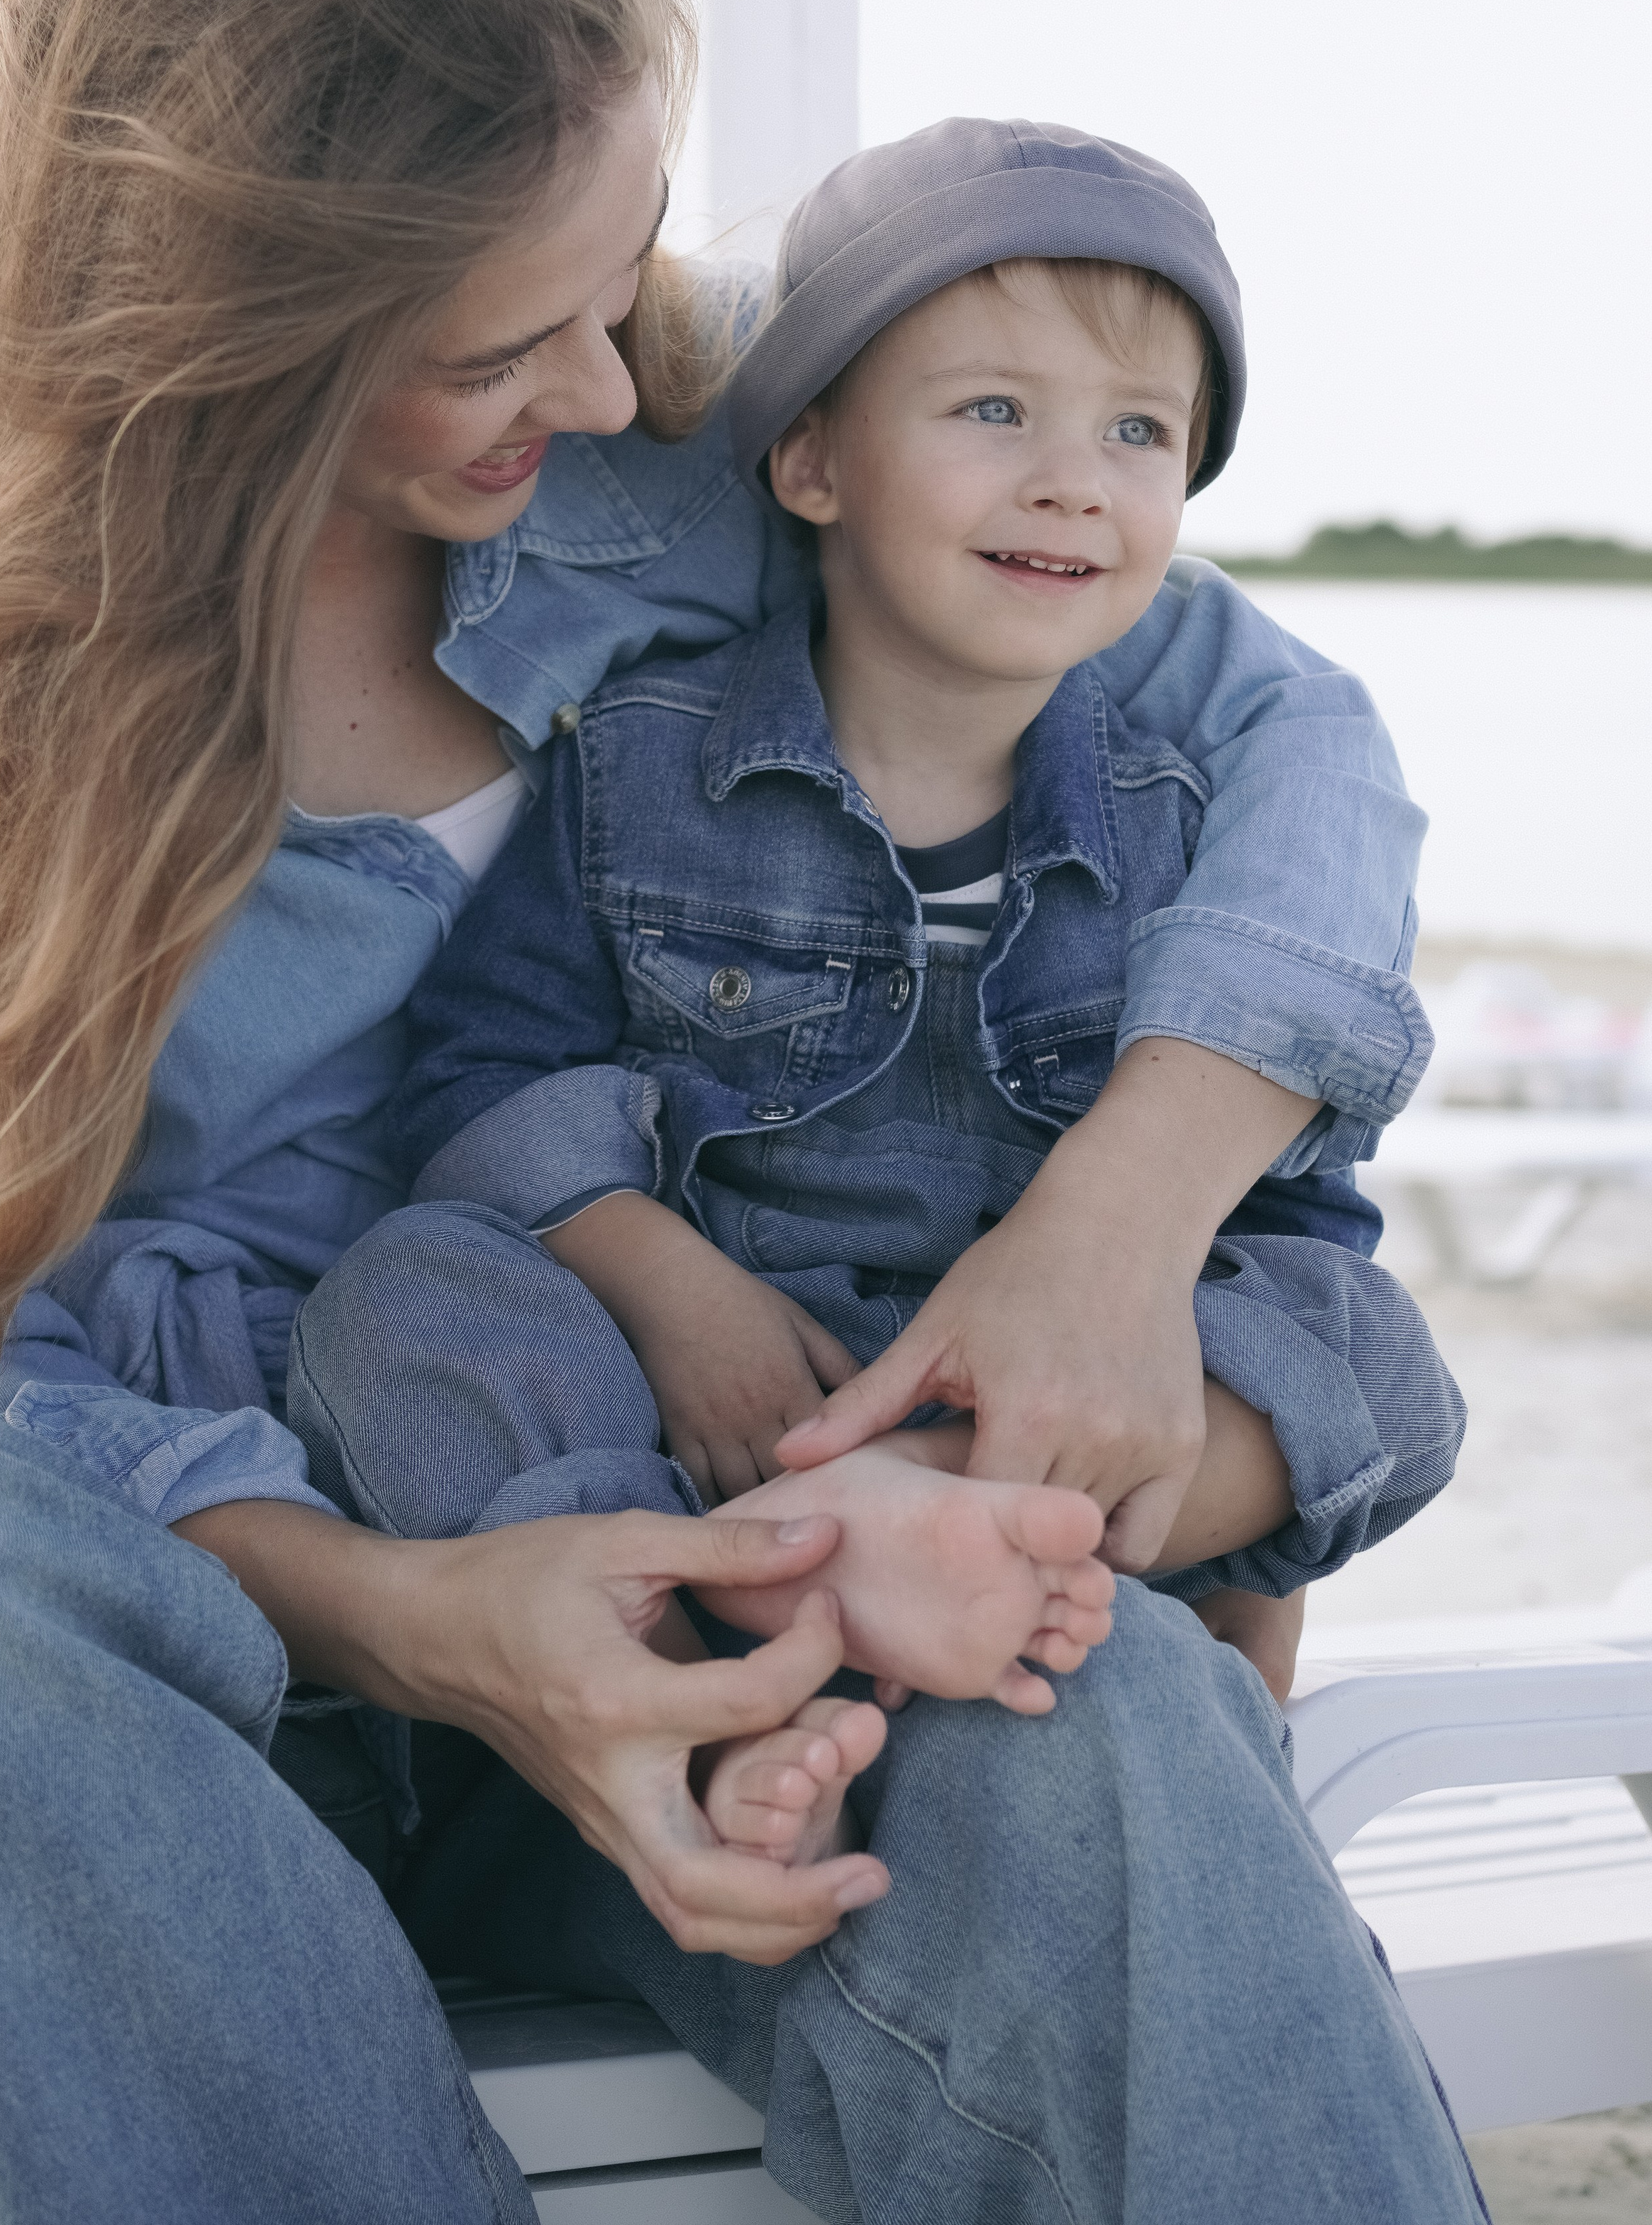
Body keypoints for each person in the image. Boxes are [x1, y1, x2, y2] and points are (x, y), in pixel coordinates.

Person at [0, 0, 1484, 2222]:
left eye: (617, 281)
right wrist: (426, 1621)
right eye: (503, 344)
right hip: (173, 1695)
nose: (612, 385)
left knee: (1107, 1713)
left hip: (699, 1577)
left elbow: (1284, 734)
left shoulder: (706, 462)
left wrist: (1119, 1219)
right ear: (230, 321)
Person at [290, 121, 1466, 1860]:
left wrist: (1250, 1594)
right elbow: (475, 1082)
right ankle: (697, 1659)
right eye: (993, 411)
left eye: (1136, 433)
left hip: (1023, 1429)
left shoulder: (1181, 826)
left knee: (1382, 1353)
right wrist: (676, 1299)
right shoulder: (637, 763)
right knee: (402, 1298)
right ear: (813, 460)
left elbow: (1285, 1221)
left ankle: (902, 1527)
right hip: (713, 1411)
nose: (1072, 482)